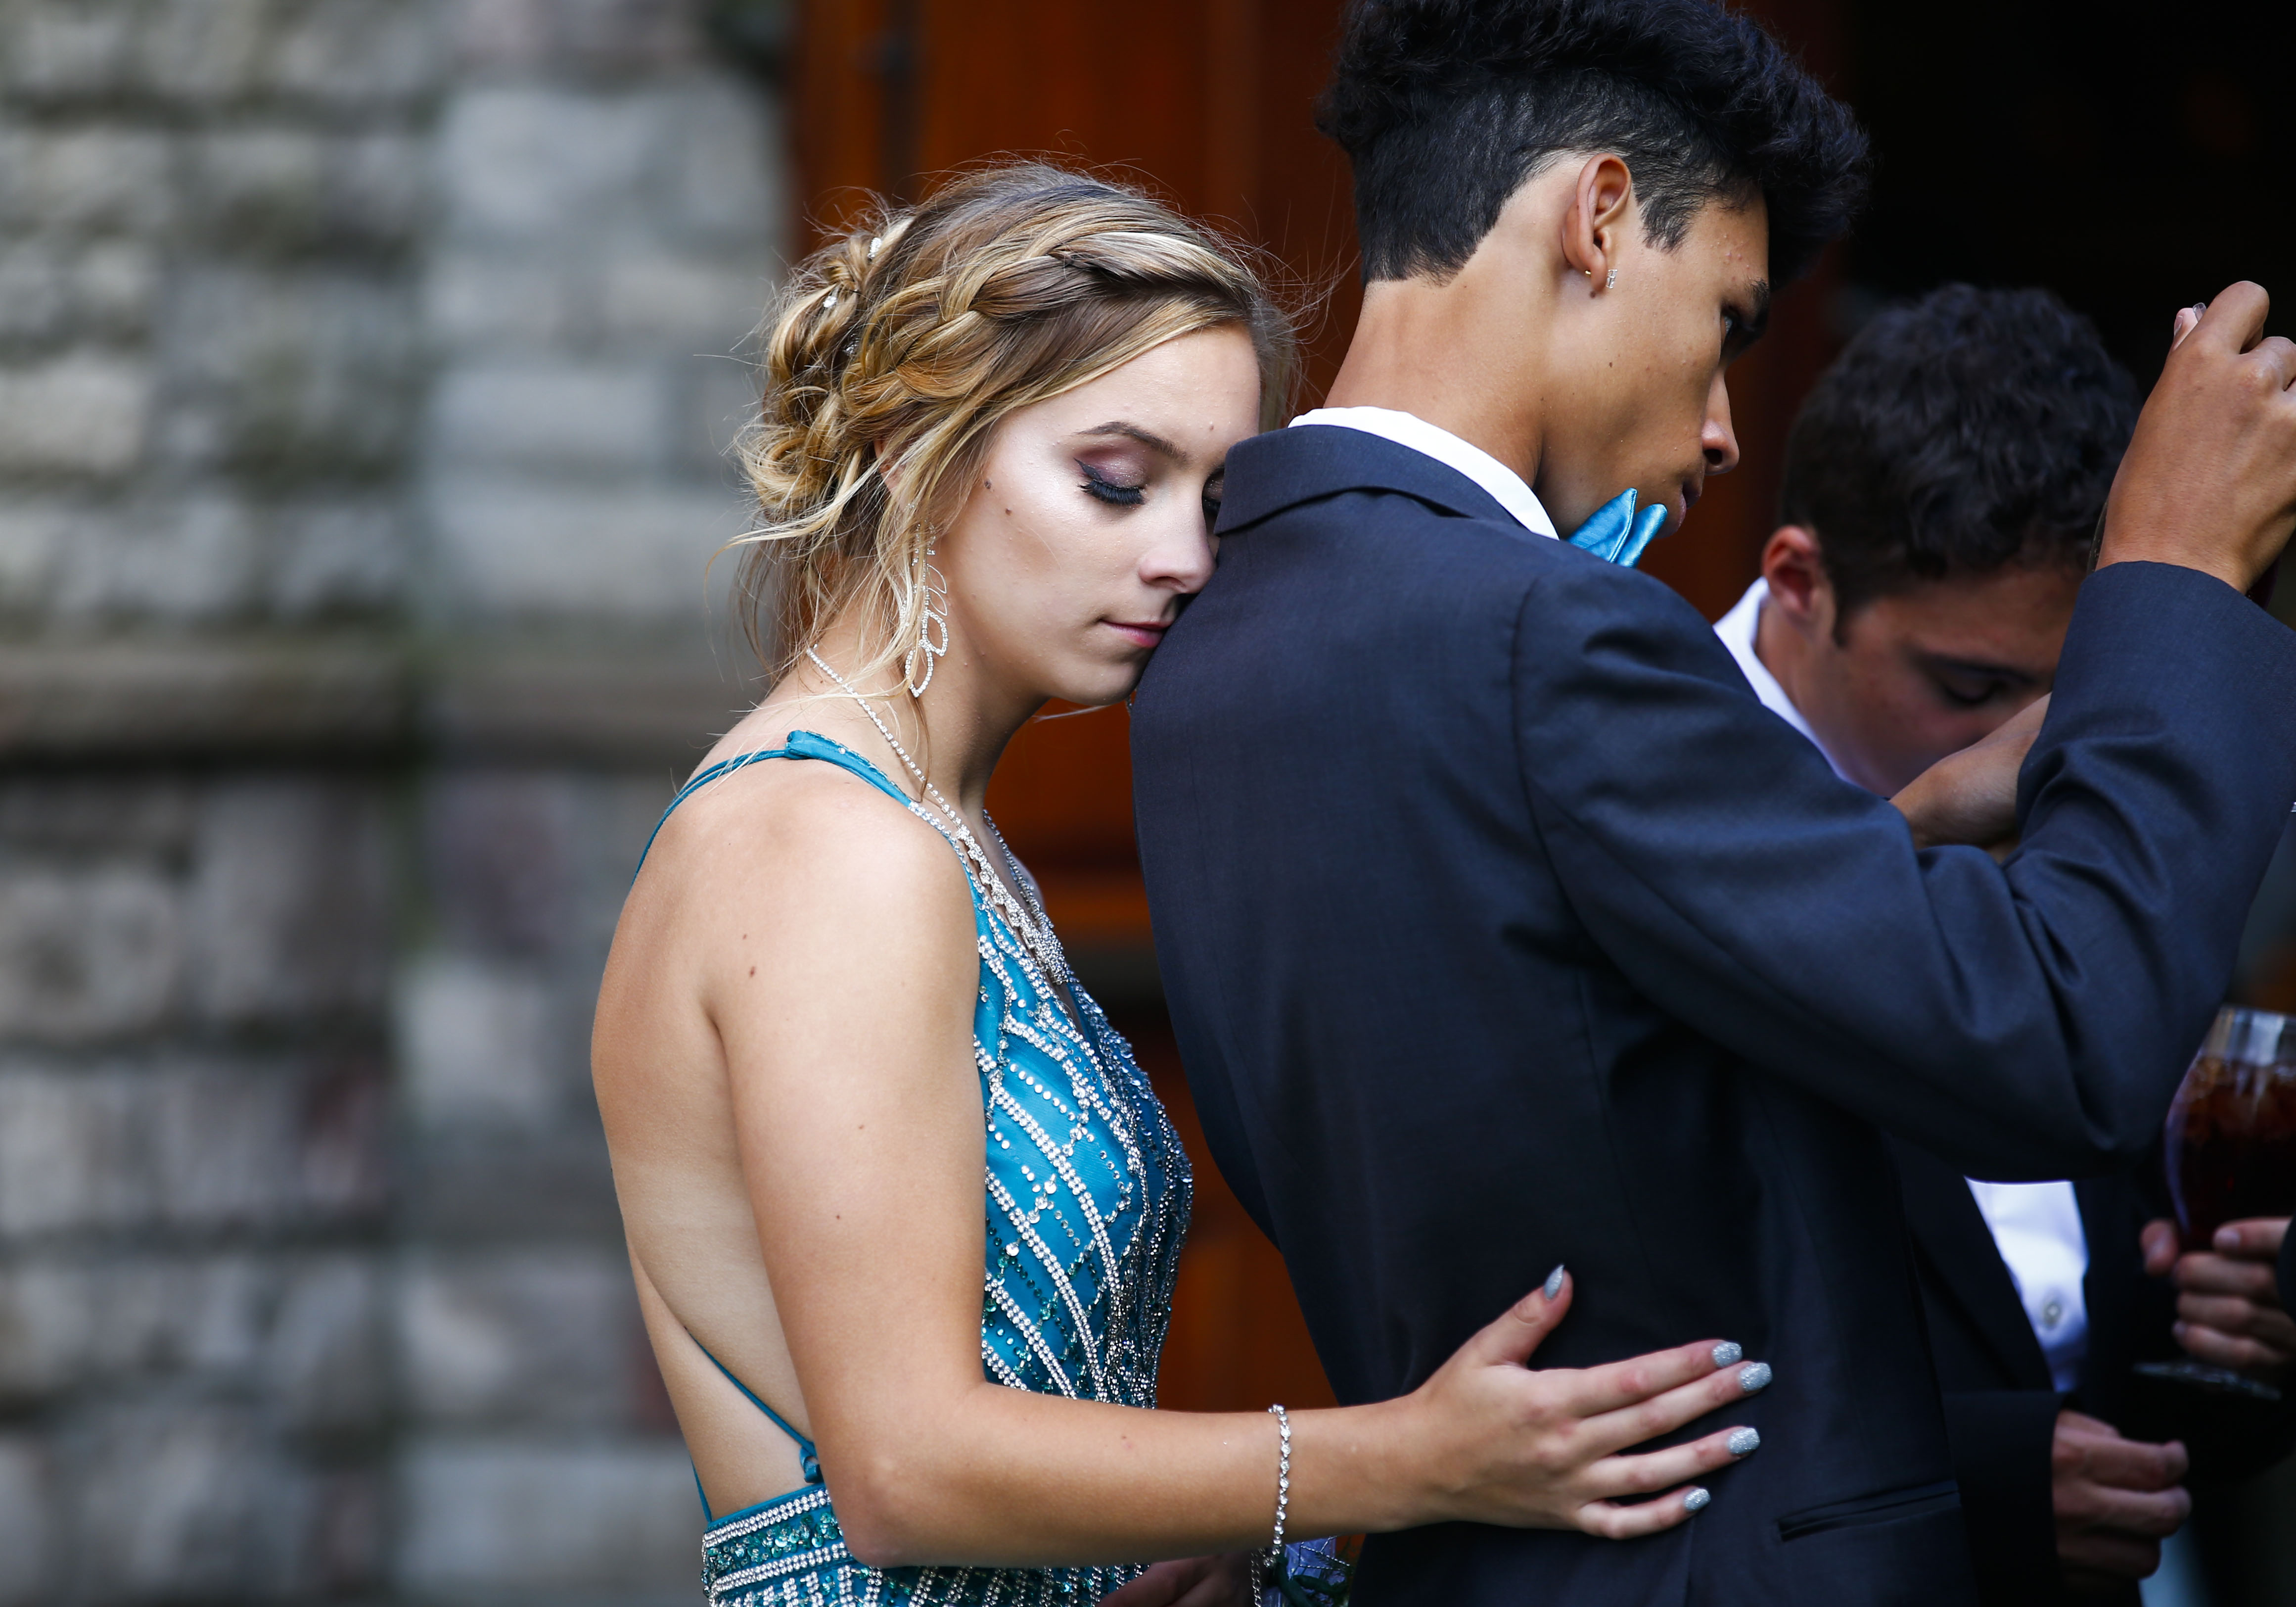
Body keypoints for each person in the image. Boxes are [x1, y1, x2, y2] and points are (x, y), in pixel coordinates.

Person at [1125, 0, 2296, 1602]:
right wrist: (2165, 577)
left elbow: (1557, 1075)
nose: (1723, 423)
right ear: (1600, 218)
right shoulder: (1544, 630)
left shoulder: (1217, 636)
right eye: (1730, 320)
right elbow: (2057, 1043)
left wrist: (1891, 835)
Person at [592, 164, 1777, 1607]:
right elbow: (904, 1474)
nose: (1179, 559)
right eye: (1114, 480)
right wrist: (1407, 1459)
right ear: (914, 444)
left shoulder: (928, 828)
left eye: (1215, 502)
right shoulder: (823, 845)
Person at [1712, 283, 2295, 1604]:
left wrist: (2223, 1341)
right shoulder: (1647, 796)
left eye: (2074, 691)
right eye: (1970, 690)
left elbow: (2101, 1307)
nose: (2040, 751)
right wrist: (1963, 1477)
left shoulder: (2122, 800)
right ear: (1799, 585)